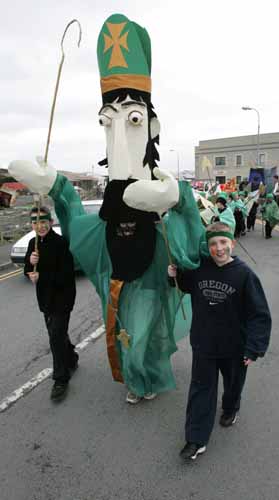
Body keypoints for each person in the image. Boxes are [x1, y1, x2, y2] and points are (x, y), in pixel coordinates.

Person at [11, 13, 205, 405]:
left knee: (140, 337)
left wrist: (176, 197)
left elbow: (195, 232)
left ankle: (142, 374)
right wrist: (55, 186)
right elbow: (78, 218)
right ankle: (139, 375)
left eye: (133, 119)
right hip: (117, 276)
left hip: (150, 274)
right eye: (107, 122)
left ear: (151, 126)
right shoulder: (111, 195)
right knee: (125, 335)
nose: (117, 139)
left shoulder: (164, 183)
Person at [168, 222, 271, 461]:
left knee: (233, 384)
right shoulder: (200, 268)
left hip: (235, 346)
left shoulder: (244, 274)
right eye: (213, 244)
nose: (219, 248)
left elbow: (259, 314)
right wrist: (174, 274)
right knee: (201, 389)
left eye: (223, 242)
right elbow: (184, 286)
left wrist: (253, 347)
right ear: (208, 247)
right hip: (204, 342)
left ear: (232, 244)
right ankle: (196, 439)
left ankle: (231, 407)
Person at [24, 206, 77, 401]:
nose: (40, 226)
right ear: (31, 225)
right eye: (36, 223)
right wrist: (30, 264)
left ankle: (61, 379)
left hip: (63, 298)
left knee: (55, 336)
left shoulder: (61, 243)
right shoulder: (33, 243)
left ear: (51, 222)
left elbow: (65, 275)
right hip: (45, 298)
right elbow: (28, 271)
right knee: (57, 333)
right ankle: (71, 358)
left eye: (43, 222)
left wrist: (41, 275)